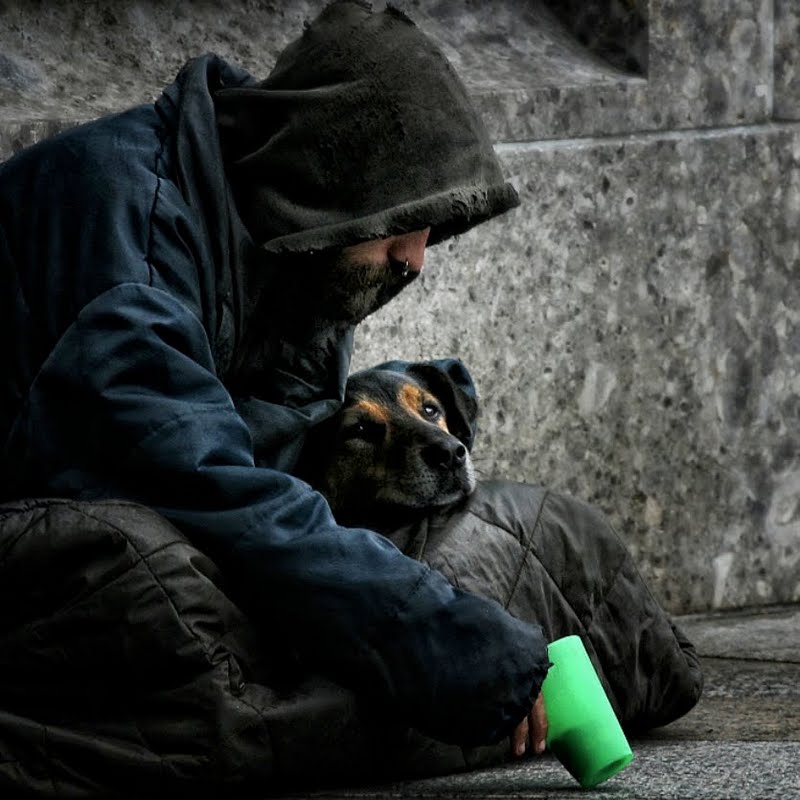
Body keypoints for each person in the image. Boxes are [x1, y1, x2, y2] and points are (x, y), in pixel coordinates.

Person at [0, 2, 701, 796]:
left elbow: (286, 482)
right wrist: (462, 648)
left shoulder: (289, 250)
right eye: (404, 222)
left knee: (517, 536)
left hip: (165, 519)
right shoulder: (133, 243)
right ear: (329, 183)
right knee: (155, 582)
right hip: (57, 541)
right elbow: (217, 491)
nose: (416, 259)